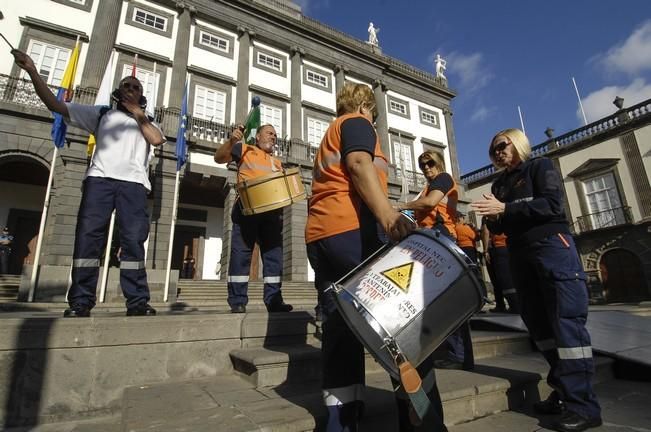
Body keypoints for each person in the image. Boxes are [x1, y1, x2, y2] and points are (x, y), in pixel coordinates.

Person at [306, 83, 444, 432]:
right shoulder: (356, 123)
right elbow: (357, 163)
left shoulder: (330, 133)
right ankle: (422, 422)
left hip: (323, 236)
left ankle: (341, 421)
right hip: (354, 232)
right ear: (368, 106)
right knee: (402, 323)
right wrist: (387, 215)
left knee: (340, 328)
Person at [12, 49, 165, 318]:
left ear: (142, 95)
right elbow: (55, 105)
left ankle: (137, 302)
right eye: (125, 86)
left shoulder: (148, 122)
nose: (130, 89)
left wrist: (137, 113)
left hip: (133, 185)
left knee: (132, 242)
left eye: (135, 87)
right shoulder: (100, 113)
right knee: (88, 240)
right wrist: (33, 71)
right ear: (117, 92)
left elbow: (156, 140)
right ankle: (81, 302)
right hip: (100, 181)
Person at [472, 128, 602, 432]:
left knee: (566, 323)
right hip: (520, 253)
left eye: (501, 146)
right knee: (539, 327)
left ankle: (584, 406)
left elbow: (552, 205)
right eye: (492, 152)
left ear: (517, 143)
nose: (497, 154)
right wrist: (493, 217)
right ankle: (563, 391)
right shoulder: (500, 183)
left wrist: (505, 208)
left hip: (551, 246)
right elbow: (504, 222)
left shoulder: (539, 167)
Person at [396, 151, 474, 372]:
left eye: (430, 163)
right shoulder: (428, 186)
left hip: (442, 238)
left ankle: (459, 355)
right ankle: (453, 352)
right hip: (432, 239)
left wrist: (400, 206)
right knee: (437, 298)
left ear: (439, 163)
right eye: (422, 165)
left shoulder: (444, 179)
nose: (427, 168)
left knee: (448, 299)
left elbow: (430, 203)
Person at [214, 124, 292, 314]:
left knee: (274, 258)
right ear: (257, 137)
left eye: (275, 134)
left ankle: (273, 300)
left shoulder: (277, 163)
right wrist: (233, 140)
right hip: (246, 208)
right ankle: (237, 300)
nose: (273, 137)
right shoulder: (244, 148)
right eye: (269, 133)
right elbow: (219, 158)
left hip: (272, 212)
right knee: (241, 254)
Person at [480, 221, 519, 313]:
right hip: (506, 247)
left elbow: (485, 232)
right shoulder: (504, 214)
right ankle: (504, 305)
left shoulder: (487, 217)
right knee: (504, 278)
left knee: (501, 279)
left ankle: (513, 306)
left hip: (497, 248)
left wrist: (485, 251)